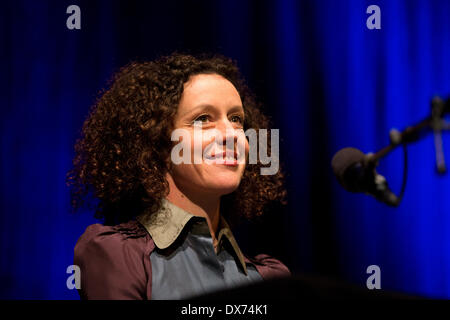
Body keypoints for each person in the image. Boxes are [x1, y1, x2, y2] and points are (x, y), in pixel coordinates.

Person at [67, 53, 290, 300]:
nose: (232, 134)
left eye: (236, 119)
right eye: (203, 119)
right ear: (157, 143)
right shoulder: (116, 253)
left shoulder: (270, 277)